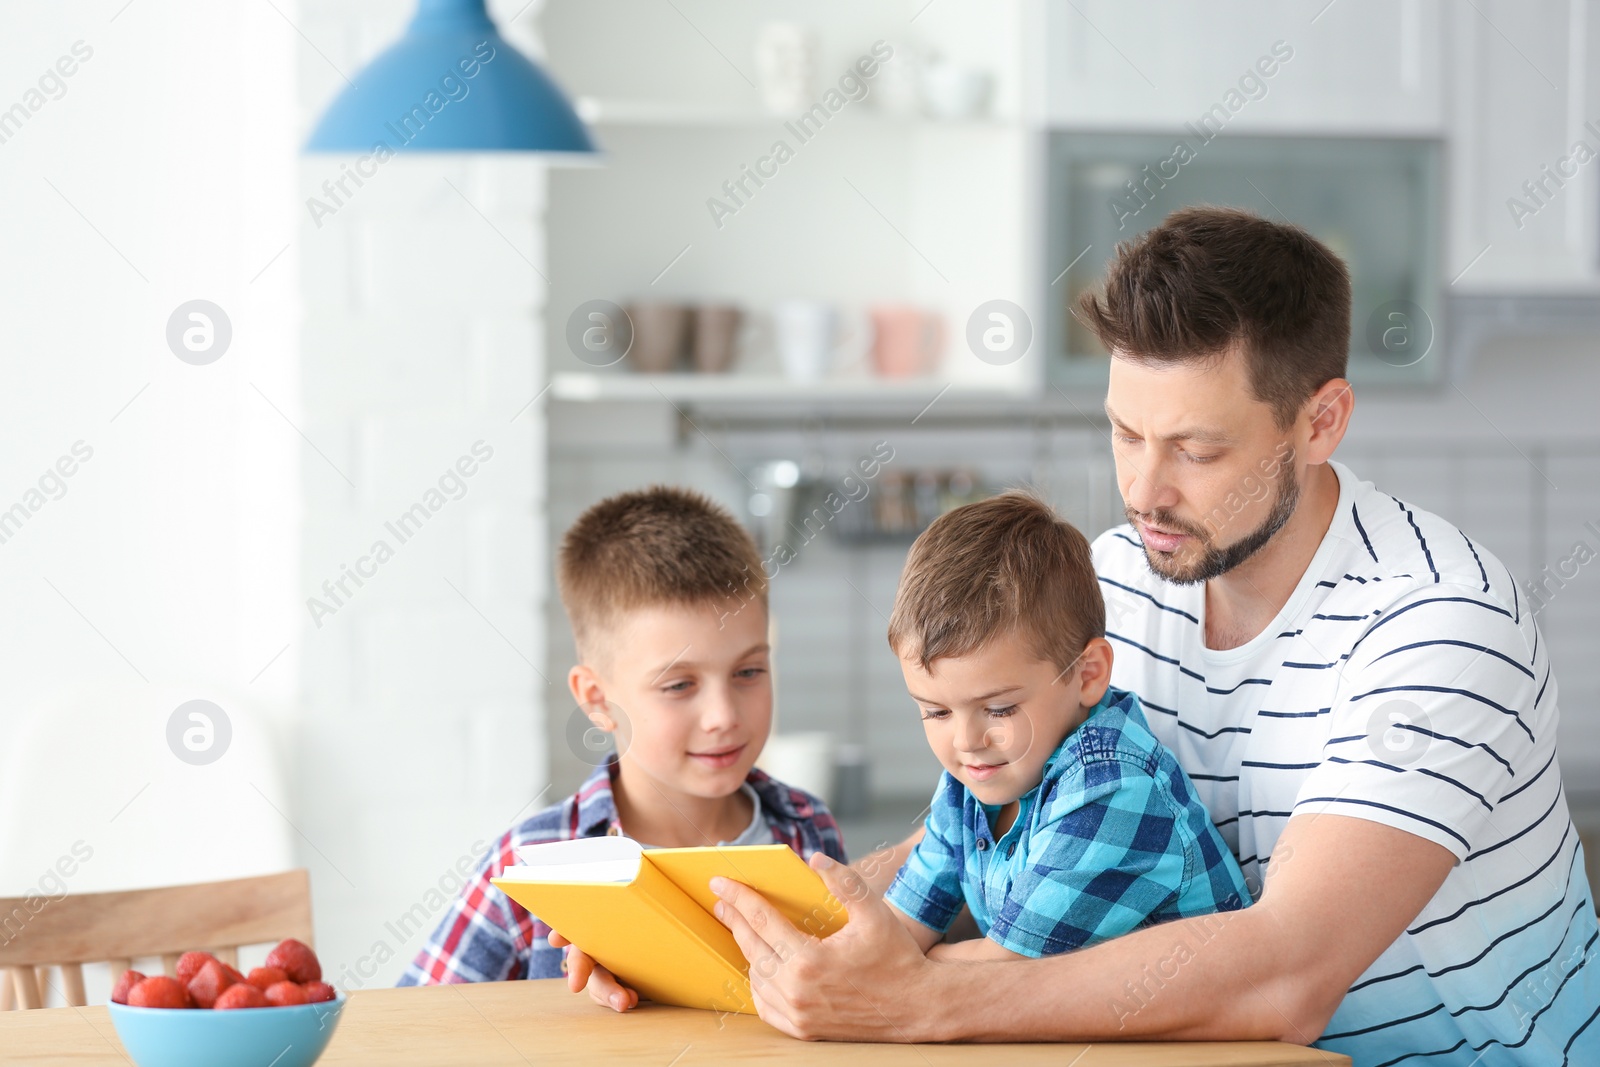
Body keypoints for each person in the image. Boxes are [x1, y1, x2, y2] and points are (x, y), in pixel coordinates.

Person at [668, 207, 1596, 1063]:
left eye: (1196, 450)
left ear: (1321, 423)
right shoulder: (1115, 577)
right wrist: (715, 947)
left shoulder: (1439, 626)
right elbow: (986, 831)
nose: (1145, 491)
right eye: (1123, 433)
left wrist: (921, 1000)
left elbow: (1288, 974)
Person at [398, 486, 847, 992]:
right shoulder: (532, 861)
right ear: (596, 699)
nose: (723, 716)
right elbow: (414, 1022)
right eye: (679, 685)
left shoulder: (808, 830)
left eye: (749, 671)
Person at [881, 490, 1251, 961]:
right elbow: (898, 929)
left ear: (1088, 674)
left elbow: (998, 978)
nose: (965, 741)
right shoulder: (969, 783)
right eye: (936, 712)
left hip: (1215, 1033)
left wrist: (909, 962)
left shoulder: (1111, 785)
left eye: (998, 709)